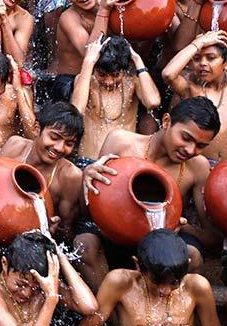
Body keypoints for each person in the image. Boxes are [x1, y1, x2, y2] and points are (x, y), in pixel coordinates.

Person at [77, 97, 222, 292]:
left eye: (200, 146)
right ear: (166, 121)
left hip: (163, 246)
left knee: (191, 255)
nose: (190, 150)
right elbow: (86, 211)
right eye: (186, 138)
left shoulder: (198, 167)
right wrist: (87, 177)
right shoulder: (121, 143)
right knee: (85, 245)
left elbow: (213, 239)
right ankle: (111, 316)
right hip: (116, 233)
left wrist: (178, 227)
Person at [77, 229, 223, 326]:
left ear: (187, 265)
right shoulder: (120, 283)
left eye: (174, 282)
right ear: (138, 265)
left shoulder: (197, 286)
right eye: (156, 281)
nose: (164, 290)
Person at [0, 232, 97, 326]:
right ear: (4, 264)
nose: (27, 293)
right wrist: (51, 299)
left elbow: (89, 307)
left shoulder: (46, 286)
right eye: (20, 284)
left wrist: (61, 258)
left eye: (35, 287)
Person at [0, 102, 84, 240]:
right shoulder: (15, 146)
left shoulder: (70, 176)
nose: (59, 148)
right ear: (37, 128)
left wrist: (52, 230)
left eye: (69, 144)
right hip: (0, 222)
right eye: (54, 137)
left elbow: (67, 232)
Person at [71, 36, 161, 168]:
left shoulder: (133, 83)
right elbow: (77, 110)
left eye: (115, 75)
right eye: (102, 74)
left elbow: (153, 102)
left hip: (123, 163)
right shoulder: (86, 80)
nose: (109, 81)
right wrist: (89, 61)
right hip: (88, 160)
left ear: (124, 70)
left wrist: (137, 59)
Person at [162, 30, 227, 164]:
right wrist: (198, 43)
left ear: (225, 63)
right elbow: (168, 74)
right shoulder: (191, 90)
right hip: (197, 165)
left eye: (211, 58)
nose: (203, 63)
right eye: (197, 59)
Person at [48, 0, 118, 81]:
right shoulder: (68, 18)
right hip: (71, 82)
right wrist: (104, 10)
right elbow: (90, 55)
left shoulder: (108, 4)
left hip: (106, 78)